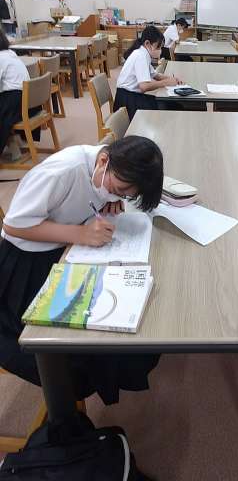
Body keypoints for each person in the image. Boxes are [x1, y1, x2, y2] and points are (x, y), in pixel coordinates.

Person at [0, 135, 163, 405]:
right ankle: (66, 411)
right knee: (82, 344)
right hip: (26, 263)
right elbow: (14, 225)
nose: (118, 195)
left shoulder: (105, 171)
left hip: (63, 249)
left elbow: (89, 196)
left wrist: (109, 199)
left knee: (123, 313)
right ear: (103, 160)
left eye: (126, 195)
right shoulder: (62, 172)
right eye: (118, 189)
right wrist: (80, 234)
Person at [114, 25, 183, 120]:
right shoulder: (140, 56)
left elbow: (155, 75)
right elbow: (144, 86)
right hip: (127, 101)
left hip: (130, 96)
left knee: (171, 105)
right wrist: (165, 83)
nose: (160, 50)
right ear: (147, 43)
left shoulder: (143, 53)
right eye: (158, 47)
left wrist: (172, 79)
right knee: (169, 106)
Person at [0, 29, 41, 156]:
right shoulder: (10, 53)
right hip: (30, 103)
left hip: (16, 103)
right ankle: (13, 142)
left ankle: (11, 142)